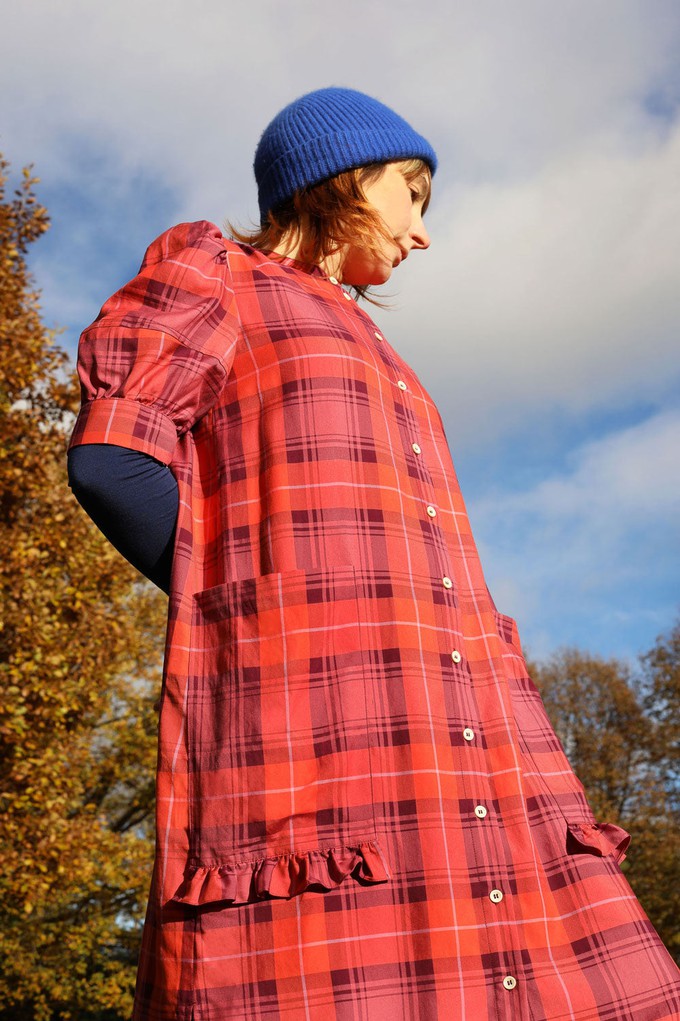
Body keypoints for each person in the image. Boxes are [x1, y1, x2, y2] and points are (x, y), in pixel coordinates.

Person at [67, 87, 680, 1021]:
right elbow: (116, 456)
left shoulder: (367, 332)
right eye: (413, 193)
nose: (422, 234)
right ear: (342, 174)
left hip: (463, 717)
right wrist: (250, 603)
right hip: (320, 705)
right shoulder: (220, 272)